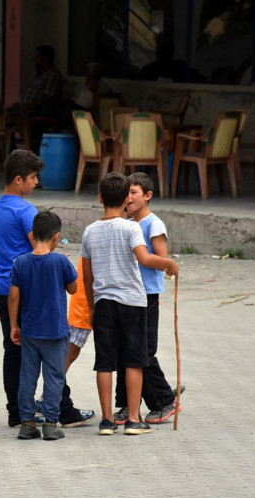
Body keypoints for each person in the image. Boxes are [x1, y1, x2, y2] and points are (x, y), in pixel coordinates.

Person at [0, 149, 94, 429]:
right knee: (50, 349)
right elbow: (41, 249)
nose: (36, 183)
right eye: (33, 177)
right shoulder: (25, 211)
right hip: (32, 290)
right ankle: (62, 410)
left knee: (13, 351)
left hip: (3, 287)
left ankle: (17, 413)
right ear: (19, 179)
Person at [81, 172, 179, 436]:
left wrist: (91, 307)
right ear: (126, 199)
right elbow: (145, 259)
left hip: (103, 302)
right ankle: (134, 420)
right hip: (132, 303)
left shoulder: (89, 231)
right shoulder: (131, 227)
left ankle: (107, 421)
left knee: (105, 362)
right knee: (134, 361)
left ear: (100, 198)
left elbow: (87, 276)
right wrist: (169, 265)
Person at [113, 172, 184, 425]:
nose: (129, 198)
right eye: (126, 193)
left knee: (142, 351)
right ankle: (124, 405)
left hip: (146, 295)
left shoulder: (153, 224)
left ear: (147, 196)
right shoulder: (127, 222)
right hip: (127, 293)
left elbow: (162, 259)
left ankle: (163, 400)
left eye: (134, 193)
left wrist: (170, 265)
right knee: (124, 349)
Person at [8, 212, 78, 441]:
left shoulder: (20, 262)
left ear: (34, 234)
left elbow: (13, 297)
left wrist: (13, 326)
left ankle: (27, 423)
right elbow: (74, 289)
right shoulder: (60, 261)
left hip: (29, 330)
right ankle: (50, 423)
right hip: (56, 332)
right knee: (54, 377)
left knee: (27, 377)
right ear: (56, 237)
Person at [17, 45, 65, 116]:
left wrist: (29, 106)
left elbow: (47, 97)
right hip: (22, 107)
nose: (34, 59)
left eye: (37, 57)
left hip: (35, 110)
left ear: (45, 59)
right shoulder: (36, 74)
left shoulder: (53, 75)